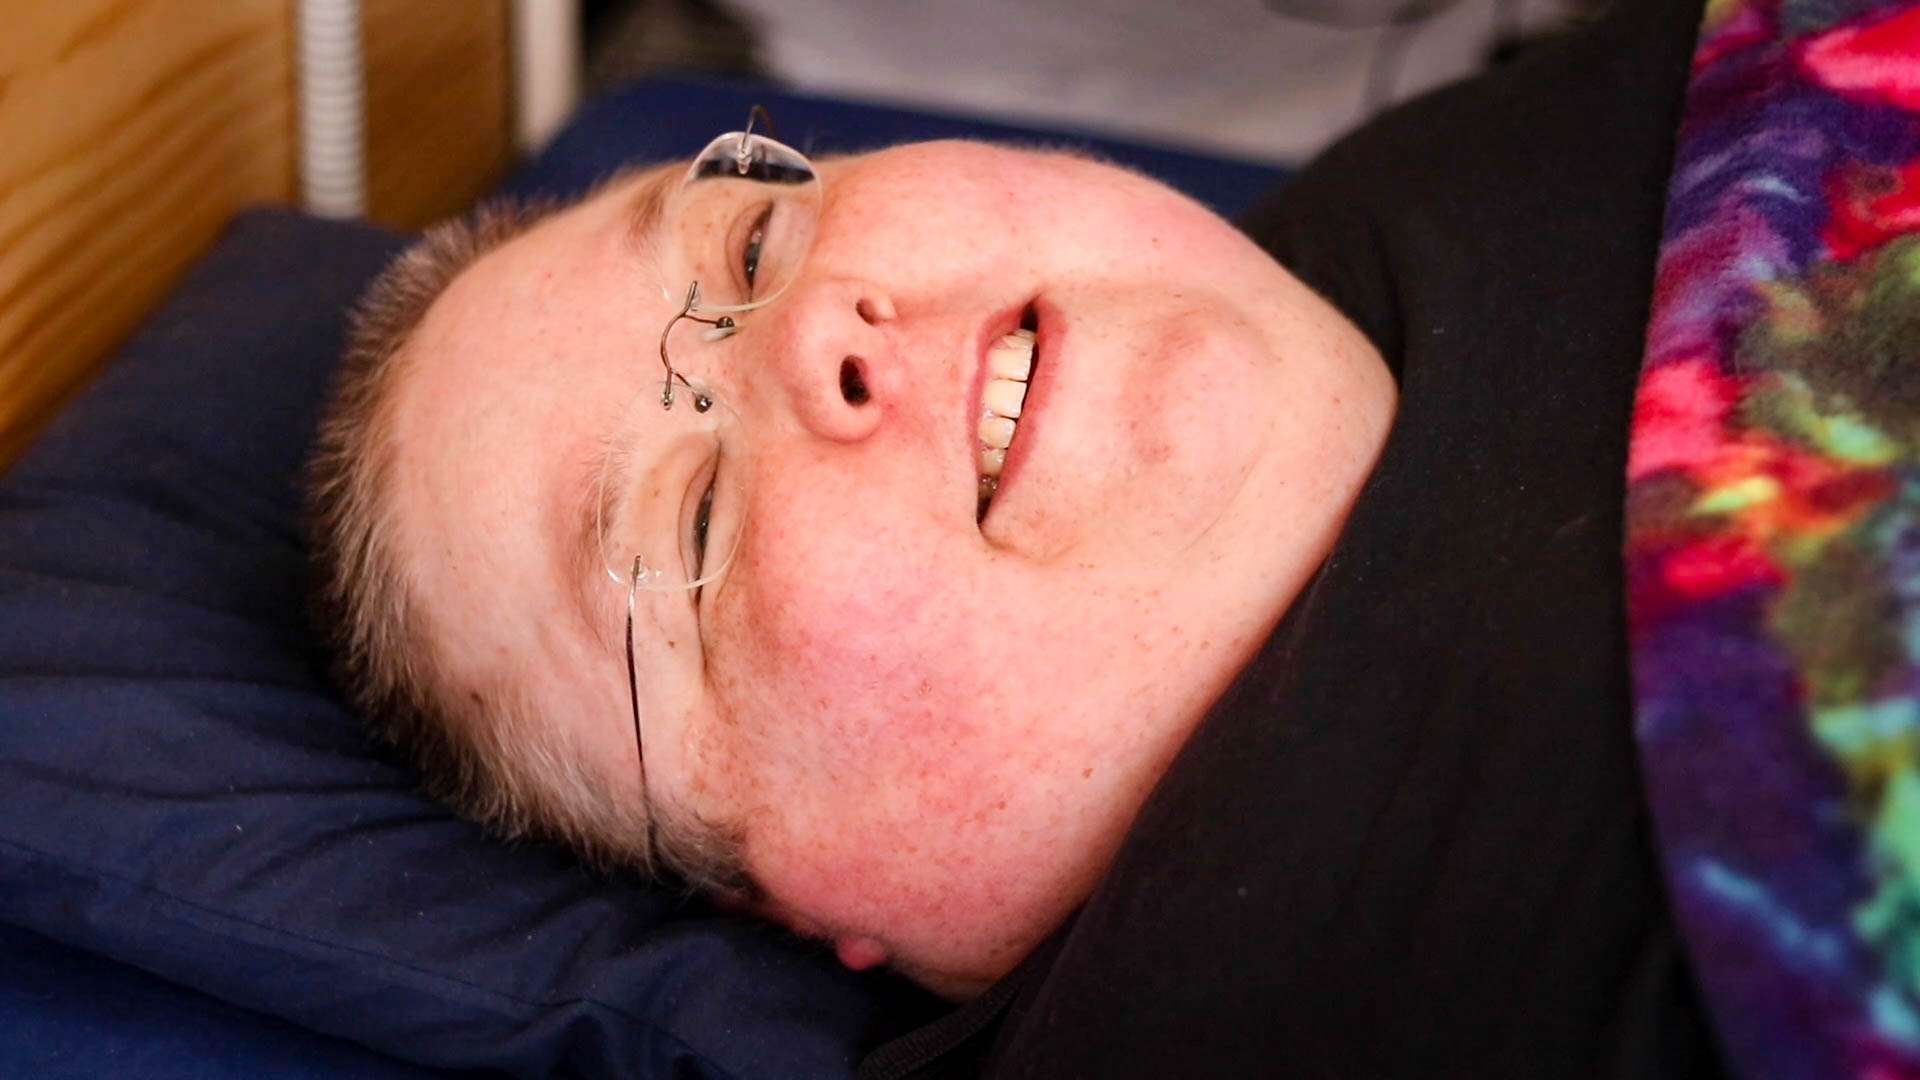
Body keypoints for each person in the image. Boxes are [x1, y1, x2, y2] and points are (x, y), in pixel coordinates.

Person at [308, 0, 1729, 1072]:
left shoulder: (1519, 143)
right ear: (787, 902)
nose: (812, 326)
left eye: (744, 249)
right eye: (687, 517)